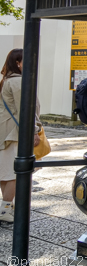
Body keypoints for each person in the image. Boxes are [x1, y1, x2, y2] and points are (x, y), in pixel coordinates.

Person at [0, 49, 41, 223]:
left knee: (6, 172)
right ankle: (5, 209)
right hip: (14, 132)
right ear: (18, 63)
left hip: (6, 130)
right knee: (14, 173)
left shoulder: (7, 80)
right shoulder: (18, 81)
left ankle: (6, 207)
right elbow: (26, 109)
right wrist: (34, 131)